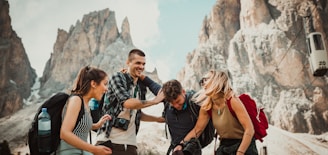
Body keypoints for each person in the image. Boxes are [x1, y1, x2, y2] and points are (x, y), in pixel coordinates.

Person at [96, 49, 165, 155]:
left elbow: (136, 113)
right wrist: (154, 102)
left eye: (143, 64)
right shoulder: (118, 77)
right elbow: (127, 102)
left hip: (130, 145)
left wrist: (157, 119)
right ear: (128, 62)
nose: (141, 67)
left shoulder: (141, 87)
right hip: (109, 141)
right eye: (138, 63)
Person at [183, 70, 258, 155]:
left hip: (244, 145)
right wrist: (181, 144)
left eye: (205, 79)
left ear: (217, 80)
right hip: (224, 146)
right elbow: (197, 130)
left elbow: (250, 129)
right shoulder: (207, 107)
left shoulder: (232, 101)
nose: (202, 83)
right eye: (202, 81)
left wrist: (240, 152)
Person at [56, 66, 112, 155]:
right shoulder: (76, 100)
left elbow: (79, 126)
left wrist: (97, 125)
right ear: (93, 84)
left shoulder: (86, 104)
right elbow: (64, 133)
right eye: (105, 84)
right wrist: (94, 149)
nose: (106, 88)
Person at [161, 79, 203, 155]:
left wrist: (181, 144)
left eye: (178, 101)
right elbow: (152, 85)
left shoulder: (195, 102)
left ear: (183, 92)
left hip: (192, 148)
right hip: (176, 149)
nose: (176, 106)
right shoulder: (167, 102)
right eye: (172, 104)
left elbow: (199, 128)